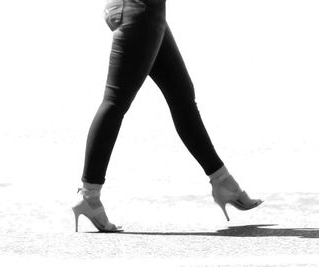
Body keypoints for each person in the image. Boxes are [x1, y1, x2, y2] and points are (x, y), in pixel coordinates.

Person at [72, 0, 263, 233]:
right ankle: (90, 196)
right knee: (115, 102)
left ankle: (223, 183)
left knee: (182, 97)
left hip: (144, 11)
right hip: (138, 11)